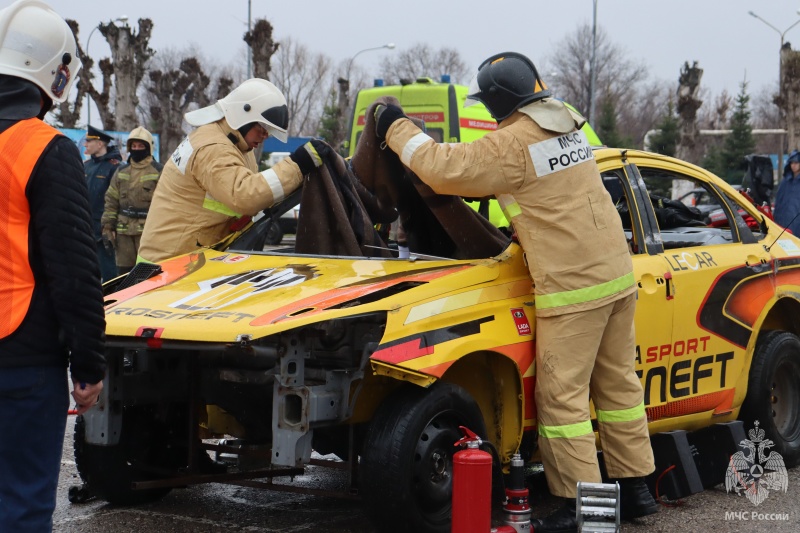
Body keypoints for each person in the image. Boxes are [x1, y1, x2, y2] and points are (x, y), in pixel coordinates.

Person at [374, 52, 657, 532]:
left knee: (562, 399)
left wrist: (394, 126)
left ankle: (584, 511)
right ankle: (636, 489)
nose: (488, 114)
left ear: (500, 100)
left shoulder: (513, 143)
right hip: (615, 276)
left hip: (573, 288)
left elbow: (443, 169)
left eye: (488, 105)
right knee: (618, 389)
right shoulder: (567, 123)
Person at [0, 0, 106, 530]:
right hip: (19, 358)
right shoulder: (43, 148)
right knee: (19, 507)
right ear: (55, 74)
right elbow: (73, 269)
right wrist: (88, 365)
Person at [138, 78, 331, 263]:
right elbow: (245, 195)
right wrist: (298, 165)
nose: (265, 136)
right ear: (242, 114)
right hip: (166, 266)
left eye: (269, 131)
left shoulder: (236, 145)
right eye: (263, 128)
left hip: (183, 259)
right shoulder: (213, 148)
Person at [102, 126, 163, 274]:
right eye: (133, 146)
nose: (136, 149)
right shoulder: (121, 171)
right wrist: (107, 227)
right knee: (124, 275)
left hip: (148, 233)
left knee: (149, 275)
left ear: (148, 147)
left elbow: (166, 204)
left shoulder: (159, 171)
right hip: (123, 233)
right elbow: (111, 200)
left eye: (141, 146)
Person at [83, 123, 122, 281]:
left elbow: (117, 199)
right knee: (87, 273)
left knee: (109, 274)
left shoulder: (114, 167)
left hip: (104, 229)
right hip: (85, 228)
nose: (85, 144)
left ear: (99, 144)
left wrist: (110, 226)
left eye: (88, 141)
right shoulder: (86, 166)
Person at [774, 150, 800, 235]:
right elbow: (779, 201)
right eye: (792, 163)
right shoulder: (785, 181)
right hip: (783, 223)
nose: (794, 165)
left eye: (796, 162)